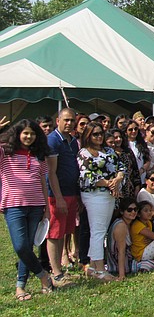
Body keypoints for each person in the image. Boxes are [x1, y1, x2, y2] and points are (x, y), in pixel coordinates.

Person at [0, 119, 55, 300]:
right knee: (21, 246)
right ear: (17, 134)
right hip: (13, 205)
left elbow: (43, 182)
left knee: (29, 247)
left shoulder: (39, 155)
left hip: (37, 205)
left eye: (32, 134)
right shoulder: (5, 153)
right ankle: (43, 276)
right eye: (25, 133)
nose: (29, 137)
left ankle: (20, 287)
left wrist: (47, 209)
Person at [78, 122, 126, 281]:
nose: (99, 137)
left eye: (100, 133)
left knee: (101, 230)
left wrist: (118, 179)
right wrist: (107, 182)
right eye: (95, 134)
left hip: (109, 195)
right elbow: (86, 176)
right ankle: (100, 269)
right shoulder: (84, 153)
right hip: (94, 195)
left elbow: (121, 167)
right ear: (88, 135)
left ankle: (92, 266)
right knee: (98, 231)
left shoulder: (110, 151)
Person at [45, 108, 79, 287]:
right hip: (57, 195)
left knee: (63, 233)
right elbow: (51, 173)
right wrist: (58, 197)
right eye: (66, 120)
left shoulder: (73, 141)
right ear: (58, 120)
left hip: (71, 192)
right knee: (54, 233)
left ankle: (59, 270)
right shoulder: (52, 140)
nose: (69, 123)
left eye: (72, 120)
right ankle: (56, 272)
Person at [106, 198, 137, 280]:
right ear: (122, 212)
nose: (133, 212)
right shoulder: (121, 226)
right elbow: (121, 251)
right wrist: (122, 275)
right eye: (129, 210)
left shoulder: (128, 224)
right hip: (119, 265)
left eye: (135, 209)